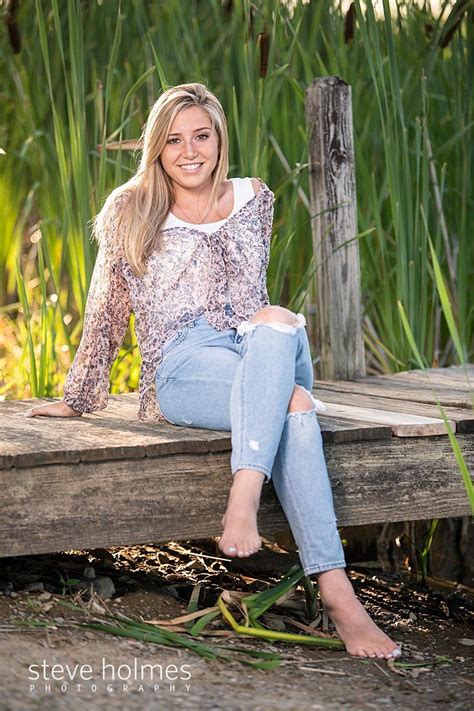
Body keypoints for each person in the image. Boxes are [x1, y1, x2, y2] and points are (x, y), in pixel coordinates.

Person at [24, 82, 401, 660]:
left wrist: (259, 350)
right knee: (295, 405)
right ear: (156, 147)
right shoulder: (130, 208)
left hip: (263, 348)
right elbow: (105, 308)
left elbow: (255, 301)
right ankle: (340, 597)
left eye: (201, 135)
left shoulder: (255, 197)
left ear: (220, 139)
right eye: (173, 140)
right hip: (184, 364)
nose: (189, 150)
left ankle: (242, 496)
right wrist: (79, 396)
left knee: (274, 319)